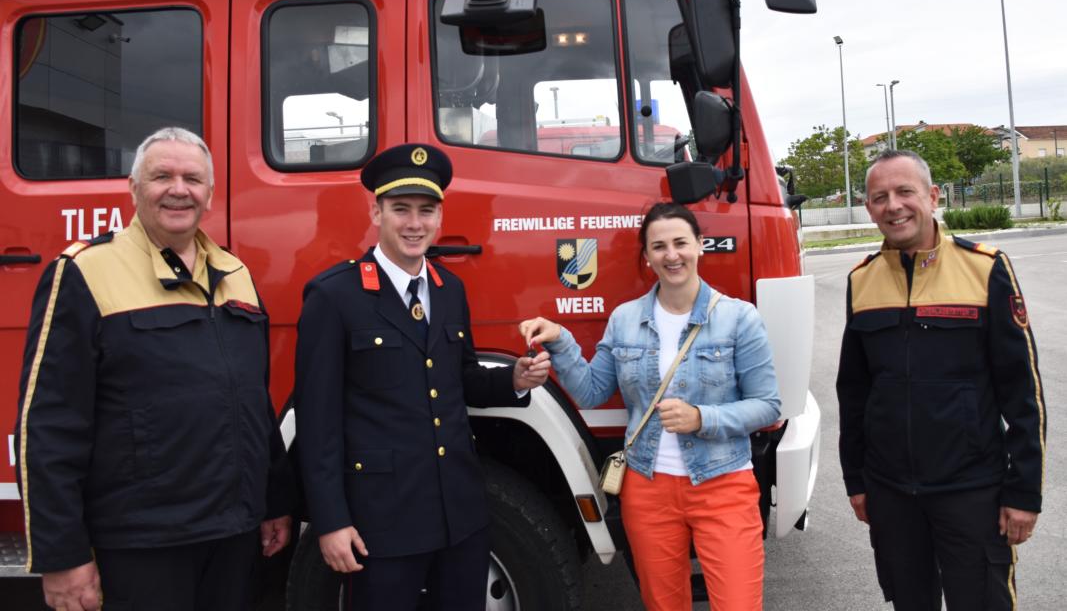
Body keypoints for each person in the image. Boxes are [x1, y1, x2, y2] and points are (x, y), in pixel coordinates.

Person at [14, 127, 293, 611]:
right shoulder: (84, 272)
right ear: (134, 187)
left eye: (193, 178)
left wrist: (273, 503)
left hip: (232, 534)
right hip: (142, 542)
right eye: (161, 176)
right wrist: (62, 555)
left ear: (210, 193)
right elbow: (48, 426)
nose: (178, 189)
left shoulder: (236, 274)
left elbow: (253, 403)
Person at [294, 142, 550, 611]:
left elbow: (461, 379)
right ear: (376, 211)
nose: (415, 224)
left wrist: (513, 378)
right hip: (382, 523)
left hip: (459, 515)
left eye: (426, 211)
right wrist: (330, 521)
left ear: (440, 218)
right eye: (401, 210)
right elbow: (317, 423)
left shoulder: (449, 289)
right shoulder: (335, 297)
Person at [520, 201, 780, 611]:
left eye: (681, 242)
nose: (671, 255)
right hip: (647, 488)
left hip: (723, 484)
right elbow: (591, 391)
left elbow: (767, 406)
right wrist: (558, 338)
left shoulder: (738, 318)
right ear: (647, 256)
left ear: (700, 246)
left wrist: (701, 419)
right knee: (663, 605)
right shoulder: (625, 319)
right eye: (659, 246)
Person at [837, 148, 1046, 611]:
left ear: (932, 197)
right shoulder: (861, 281)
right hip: (891, 495)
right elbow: (853, 393)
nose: (893, 205)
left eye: (905, 192)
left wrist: (1023, 491)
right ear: (869, 208)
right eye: (879, 197)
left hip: (971, 492)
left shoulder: (985, 268)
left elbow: (1023, 392)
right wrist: (857, 480)